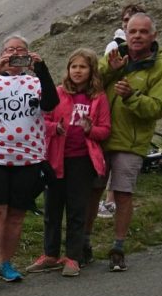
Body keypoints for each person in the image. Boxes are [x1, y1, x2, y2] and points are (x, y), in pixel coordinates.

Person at [0, 35, 58, 289]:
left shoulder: (35, 83)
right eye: (9, 50)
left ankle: (6, 263)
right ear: (1, 54)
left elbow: (51, 104)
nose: (14, 54)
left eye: (20, 50)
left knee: (16, 215)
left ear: (28, 56)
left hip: (28, 159)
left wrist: (42, 69)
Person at [89, 12, 162, 272]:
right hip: (101, 138)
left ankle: (118, 247)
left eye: (143, 32)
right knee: (92, 191)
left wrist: (132, 96)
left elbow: (157, 108)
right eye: (132, 31)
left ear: (153, 36)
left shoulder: (161, 68)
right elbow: (88, 84)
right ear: (125, 33)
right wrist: (110, 71)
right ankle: (84, 243)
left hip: (130, 142)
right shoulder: (114, 57)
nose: (137, 36)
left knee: (123, 194)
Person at [27, 49, 110, 277]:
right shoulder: (57, 93)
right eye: (74, 66)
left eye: (83, 67)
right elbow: (43, 120)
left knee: (76, 209)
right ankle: (50, 254)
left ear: (91, 70)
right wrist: (56, 128)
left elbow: (105, 130)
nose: (77, 71)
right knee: (52, 209)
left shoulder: (98, 97)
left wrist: (90, 130)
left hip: (82, 161)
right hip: (56, 159)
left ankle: (73, 257)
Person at [98, 3, 145, 220]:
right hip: (110, 109)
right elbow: (100, 76)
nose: (129, 25)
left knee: (120, 157)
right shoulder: (114, 46)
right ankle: (108, 200)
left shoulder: (149, 54)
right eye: (126, 21)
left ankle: (111, 201)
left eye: (134, 20)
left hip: (130, 115)